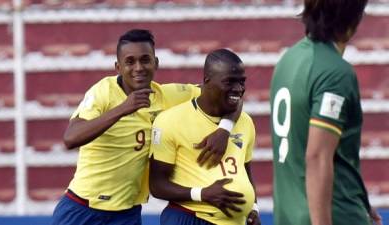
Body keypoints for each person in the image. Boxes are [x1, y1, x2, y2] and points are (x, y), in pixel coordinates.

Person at [51, 29, 238, 225]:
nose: (138, 67)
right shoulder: (103, 92)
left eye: (145, 60)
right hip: (82, 208)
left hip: (126, 214)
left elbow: (231, 93)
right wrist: (124, 108)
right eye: (130, 61)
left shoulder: (167, 96)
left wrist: (224, 129)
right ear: (118, 67)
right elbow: (70, 138)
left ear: (156, 63)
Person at [270, 0, 383, 225]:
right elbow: (318, 156)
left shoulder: (288, 60)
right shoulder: (334, 73)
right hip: (332, 215)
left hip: (288, 216)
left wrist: (361, 201)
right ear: (356, 16)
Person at [149, 49, 261, 225]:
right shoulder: (170, 121)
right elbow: (157, 186)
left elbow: (245, 172)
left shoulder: (245, 121)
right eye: (229, 82)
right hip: (189, 217)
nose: (239, 89)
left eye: (242, 82)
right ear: (207, 81)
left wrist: (254, 208)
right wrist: (201, 194)